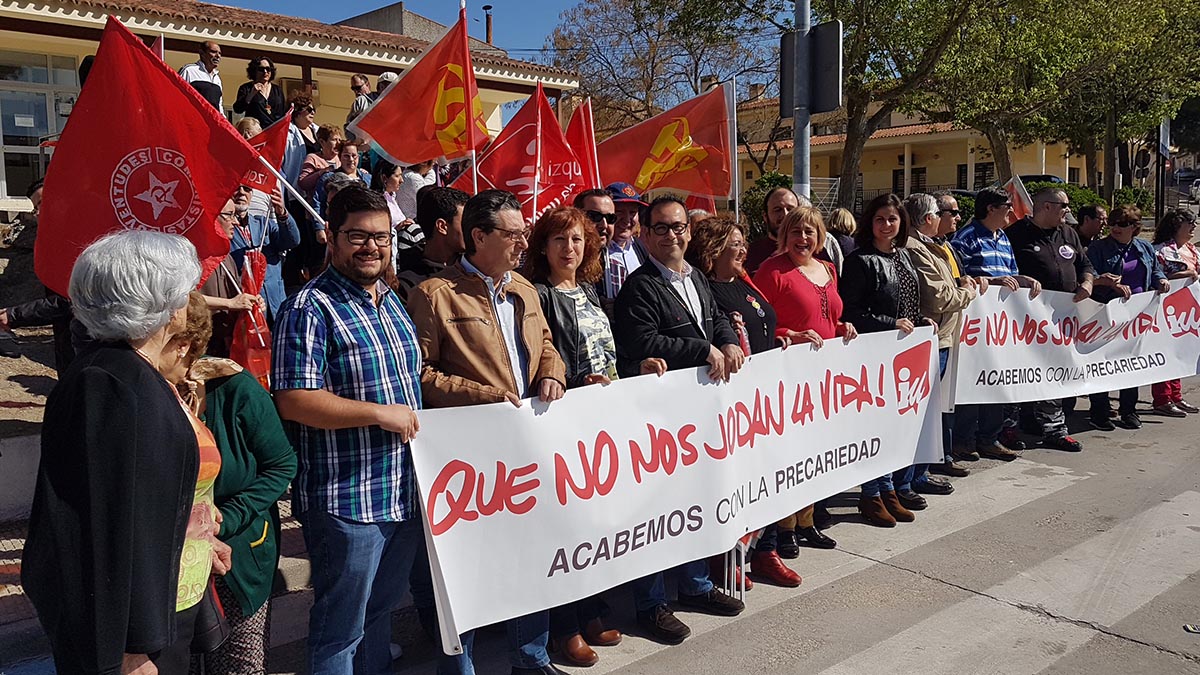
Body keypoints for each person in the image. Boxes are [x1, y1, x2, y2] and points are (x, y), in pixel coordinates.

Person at [23, 231, 230, 675]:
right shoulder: (109, 384)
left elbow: (150, 498)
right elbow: (103, 526)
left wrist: (195, 535)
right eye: (184, 289)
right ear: (163, 303)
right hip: (129, 639)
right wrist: (132, 651)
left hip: (157, 610)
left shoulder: (131, 374)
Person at [407, 189, 569, 675]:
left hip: (525, 445)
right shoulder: (434, 294)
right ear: (478, 236)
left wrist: (554, 374)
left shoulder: (524, 289)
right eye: (513, 234)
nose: (523, 243)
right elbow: (418, 374)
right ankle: (460, 668)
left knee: (532, 555)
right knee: (466, 572)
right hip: (467, 456)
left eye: (523, 233)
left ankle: (531, 658)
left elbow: (546, 346)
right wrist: (482, 395)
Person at [271, 185, 423, 675]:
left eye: (382, 237)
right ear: (331, 238)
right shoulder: (307, 308)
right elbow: (294, 400)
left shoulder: (391, 300)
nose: (372, 247)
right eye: (358, 236)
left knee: (379, 615)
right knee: (340, 630)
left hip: (401, 490)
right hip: (346, 501)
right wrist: (379, 413)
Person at [522, 207, 665, 667]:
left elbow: (604, 348)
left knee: (597, 522)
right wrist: (574, 384)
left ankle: (593, 608)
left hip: (602, 422)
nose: (570, 249)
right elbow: (542, 360)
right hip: (563, 424)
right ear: (543, 246)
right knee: (566, 528)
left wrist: (631, 368)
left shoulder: (588, 290)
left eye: (578, 240)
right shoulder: (538, 296)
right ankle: (564, 625)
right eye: (560, 240)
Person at [612, 195, 746, 645]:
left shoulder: (698, 279)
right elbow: (639, 341)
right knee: (655, 511)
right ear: (646, 235)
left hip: (700, 416)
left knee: (695, 502)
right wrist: (700, 350)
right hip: (658, 420)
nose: (673, 235)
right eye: (663, 228)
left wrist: (726, 342)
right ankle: (651, 605)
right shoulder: (640, 286)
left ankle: (696, 585)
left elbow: (716, 321)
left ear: (690, 231)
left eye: (680, 226)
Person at [154, 293, 296, 675]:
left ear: (187, 345)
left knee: (237, 663)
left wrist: (226, 518)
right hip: (171, 562)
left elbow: (282, 465)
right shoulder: (148, 393)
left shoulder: (235, 389)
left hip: (236, 555)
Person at [685, 214, 809, 586]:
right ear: (713, 248)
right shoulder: (707, 289)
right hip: (730, 407)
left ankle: (766, 551)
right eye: (735, 244)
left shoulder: (744, 281)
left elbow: (763, 325)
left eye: (742, 243)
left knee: (768, 476)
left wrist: (783, 336)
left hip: (762, 402)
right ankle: (728, 557)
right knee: (734, 484)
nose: (742, 250)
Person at [840, 194, 930, 526]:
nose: (887, 225)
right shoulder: (859, 260)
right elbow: (850, 311)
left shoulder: (903, 257)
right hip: (874, 358)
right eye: (880, 219)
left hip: (904, 358)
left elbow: (908, 302)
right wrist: (889, 324)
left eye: (893, 219)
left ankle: (889, 489)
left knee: (895, 428)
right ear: (870, 223)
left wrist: (921, 321)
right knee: (874, 429)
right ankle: (872, 495)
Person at [950, 187, 1041, 462]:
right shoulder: (965, 238)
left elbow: (1010, 273)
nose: (1012, 213)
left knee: (995, 382)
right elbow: (960, 279)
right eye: (1007, 207)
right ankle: (963, 441)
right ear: (991, 209)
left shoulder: (1003, 238)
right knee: (973, 383)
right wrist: (994, 283)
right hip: (976, 328)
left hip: (1001, 328)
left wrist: (1023, 280)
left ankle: (990, 438)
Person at [1006, 186, 1096, 452]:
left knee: (1056, 371)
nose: (1067, 211)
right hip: (1024, 320)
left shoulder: (1069, 234)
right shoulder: (1016, 234)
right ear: (1046, 206)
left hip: (1061, 319)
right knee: (1020, 372)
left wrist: (1087, 283)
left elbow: (1085, 265)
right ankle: (1011, 427)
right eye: (1063, 206)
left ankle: (1054, 429)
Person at [902, 193, 978, 483]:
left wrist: (960, 284)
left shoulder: (932, 246)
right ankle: (912, 478)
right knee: (921, 413)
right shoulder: (916, 249)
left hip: (943, 337)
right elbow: (940, 297)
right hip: (932, 339)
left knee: (931, 411)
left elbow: (947, 287)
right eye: (938, 213)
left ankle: (920, 474)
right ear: (927, 218)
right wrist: (968, 292)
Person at [1084, 204, 1171, 430]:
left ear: (1135, 227)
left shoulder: (1144, 247)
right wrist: (1109, 284)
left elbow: (1154, 271)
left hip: (1137, 315)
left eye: (1122, 224)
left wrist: (1160, 280)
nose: (1115, 227)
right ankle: (1099, 411)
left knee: (1130, 363)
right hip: (1106, 313)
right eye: (1112, 223)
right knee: (1102, 363)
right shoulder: (1098, 248)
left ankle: (1128, 410)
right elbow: (1088, 274)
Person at [200, 195, 267, 357]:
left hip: (226, 347)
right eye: (229, 215)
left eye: (235, 215)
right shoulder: (193, 255)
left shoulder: (226, 256)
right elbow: (183, 299)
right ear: (212, 218)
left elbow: (237, 297)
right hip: (201, 347)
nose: (236, 222)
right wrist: (229, 303)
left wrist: (252, 302)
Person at [1152, 208, 1200, 416]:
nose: (1194, 226)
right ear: (1176, 225)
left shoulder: (1192, 250)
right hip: (1164, 309)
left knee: (1181, 350)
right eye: (1190, 222)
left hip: (1187, 309)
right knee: (1164, 351)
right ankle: (1162, 398)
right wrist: (1184, 274)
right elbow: (1155, 278)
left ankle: (1176, 395)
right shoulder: (1159, 251)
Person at [395, 186, 470, 303]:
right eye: (465, 223)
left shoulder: (475, 270)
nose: (472, 231)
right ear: (442, 226)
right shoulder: (409, 286)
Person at [745, 187, 843, 274]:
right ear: (765, 216)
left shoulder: (815, 251)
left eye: (790, 209)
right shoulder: (751, 253)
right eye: (777, 209)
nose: (785, 215)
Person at [602, 182, 651, 297]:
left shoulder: (641, 248)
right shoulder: (596, 251)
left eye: (632, 212)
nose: (627, 220)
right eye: (619, 212)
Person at [370, 159, 421, 255]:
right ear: (384, 178)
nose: (401, 180)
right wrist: (398, 227)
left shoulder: (392, 198)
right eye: (397, 176)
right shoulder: (378, 202)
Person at [313, 139, 371, 223]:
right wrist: (319, 229)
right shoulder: (328, 178)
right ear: (340, 157)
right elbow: (318, 203)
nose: (351, 159)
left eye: (354, 155)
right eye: (346, 156)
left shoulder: (368, 178)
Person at [235, 56, 285, 128]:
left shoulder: (277, 90)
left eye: (268, 69)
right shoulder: (246, 88)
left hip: (275, 131)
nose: (265, 72)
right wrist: (251, 94)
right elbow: (238, 109)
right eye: (261, 69)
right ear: (254, 71)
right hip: (255, 131)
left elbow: (283, 113)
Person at [283, 94, 320, 188]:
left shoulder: (318, 131)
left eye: (314, 110)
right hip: (296, 186)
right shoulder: (287, 134)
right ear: (298, 112)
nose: (313, 113)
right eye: (309, 110)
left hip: (317, 185)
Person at [179, 41, 223, 112]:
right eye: (213, 52)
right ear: (202, 53)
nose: (218, 56)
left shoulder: (217, 78)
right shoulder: (189, 71)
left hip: (210, 122)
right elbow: (178, 96)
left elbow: (219, 105)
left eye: (220, 53)